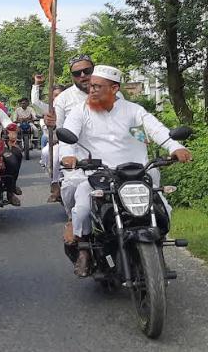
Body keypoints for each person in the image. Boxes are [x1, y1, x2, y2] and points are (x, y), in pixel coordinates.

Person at [59, 65, 192, 277]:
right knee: (83, 209)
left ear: (114, 89)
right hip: (99, 175)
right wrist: (68, 155)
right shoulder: (80, 111)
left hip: (138, 175)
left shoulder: (133, 110)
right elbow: (68, 136)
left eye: (97, 86)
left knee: (163, 210)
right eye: (91, 86)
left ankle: (157, 252)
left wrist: (175, 147)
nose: (91, 90)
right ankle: (84, 249)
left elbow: (156, 129)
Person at [43, 54, 124, 210]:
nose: (82, 76)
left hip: (113, 149)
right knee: (72, 186)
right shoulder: (63, 99)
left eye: (87, 71)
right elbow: (56, 134)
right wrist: (51, 125)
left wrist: (140, 137)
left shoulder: (114, 93)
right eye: (77, 73)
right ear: (72, 77)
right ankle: (72, 219)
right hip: (79, 154)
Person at [31, 75, 66, 202]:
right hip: (55, 143)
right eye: (55, 95)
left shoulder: (72, 108)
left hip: (73, 143)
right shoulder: (48, 109)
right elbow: (35, 102)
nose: (58, 98)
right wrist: (36, 84)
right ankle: (54, 183)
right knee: (47, 153)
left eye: (61, 95)